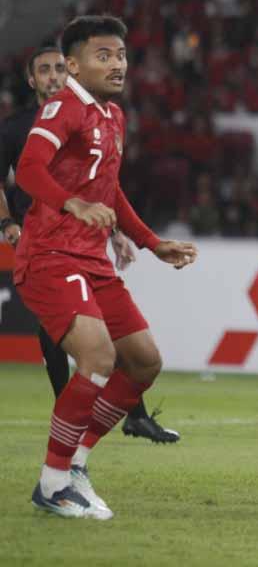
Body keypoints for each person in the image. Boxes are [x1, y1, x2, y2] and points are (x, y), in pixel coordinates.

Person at [20, 16, 198, 519]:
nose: (117, 64)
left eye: (120, 55)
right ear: (73, 64)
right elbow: (31, 169)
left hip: (92, 261)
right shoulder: (62, 109)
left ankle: (74, 462)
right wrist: (71, 204)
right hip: (50, 257)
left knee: (143, 362)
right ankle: (52, 485)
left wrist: (150, 241)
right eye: (104, 55)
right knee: (97, 358)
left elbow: (111, 189)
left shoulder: (112, 116)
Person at [0, 46, 180, 444]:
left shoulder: (103, 116)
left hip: (88, 248)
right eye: (44, 70)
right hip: (46, 246)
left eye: (58, 68)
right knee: (91, 352)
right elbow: (21, 175)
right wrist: (7, 223)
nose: (53, 76)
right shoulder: (19, 128)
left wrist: (132, 236)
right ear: (31, 80)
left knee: (128, 354)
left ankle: (101, 431)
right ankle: (63, 455)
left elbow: (104, 186)